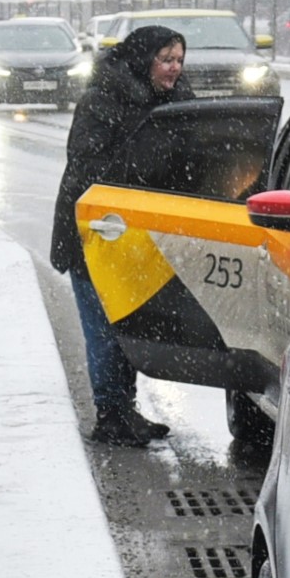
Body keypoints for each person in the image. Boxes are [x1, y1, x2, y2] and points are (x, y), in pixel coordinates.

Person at [49, 23, 190, 447]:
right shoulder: (102, 101)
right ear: (142, 59)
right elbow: (89, 168)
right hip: (94, 236)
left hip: (135, 238)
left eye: (180, 60)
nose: (174, 69)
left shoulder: (177, 101)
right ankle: (110, 417)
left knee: (125, 325)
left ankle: (123, 410)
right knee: (104, 329)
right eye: (165, 59)